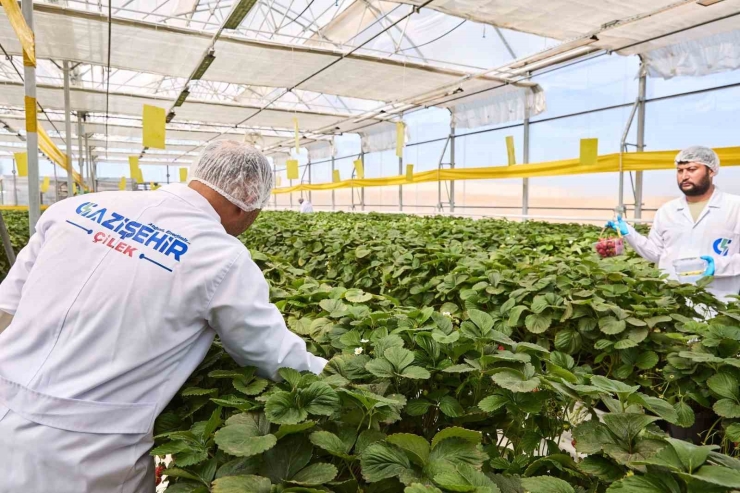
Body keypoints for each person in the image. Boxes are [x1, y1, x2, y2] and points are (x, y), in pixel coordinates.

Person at [0, 141, 327, 492]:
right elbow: (271, 355)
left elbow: (6, 309)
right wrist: (334, 378)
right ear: (247, 203)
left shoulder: (76, 208)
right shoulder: (221, 256)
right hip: (85, 452)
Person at [606, 145, 740, 301]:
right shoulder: (667, 211)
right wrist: (629, 233)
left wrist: (719, 266)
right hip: (673, 302)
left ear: (711, 171)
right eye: (680, 170)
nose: (684, 176)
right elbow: (656, 254)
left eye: (692, 169)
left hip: (717, 301)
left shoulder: (735, 207)